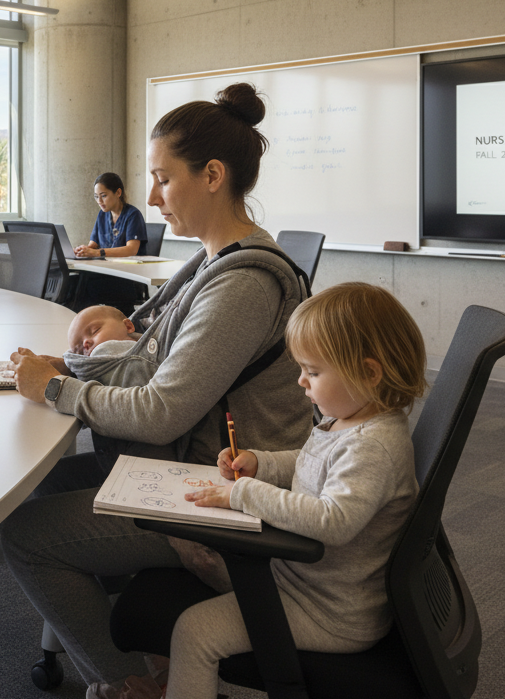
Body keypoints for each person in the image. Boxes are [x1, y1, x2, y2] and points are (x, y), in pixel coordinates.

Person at [0, 84, 315, 694]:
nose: (150, 198)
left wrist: (56, 391)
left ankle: (125, 686)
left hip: (217, 492)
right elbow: (149, 346)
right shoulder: (211, 259)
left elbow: (161, 412)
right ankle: (150, 651)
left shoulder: (243, 283)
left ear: (213, 176)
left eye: (163, 179)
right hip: (186, 467)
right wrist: (75, 362)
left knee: (27, 538)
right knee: (38, 486)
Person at [144, 282, 427, 699]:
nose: (301, 382)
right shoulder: (349, 419)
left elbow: (332, 521)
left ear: (369, 373)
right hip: (298, 578)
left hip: (328, 610)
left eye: (313, 372)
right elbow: (311, 463)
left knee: (195, 631)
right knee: (194, 557)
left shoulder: (374, 447)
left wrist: (243, 494)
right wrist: (261, 462)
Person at [75, 172, 146, 259]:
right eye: (96, 197)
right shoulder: (102, 214)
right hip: (107, 265)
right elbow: (93, 244)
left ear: (118, 193)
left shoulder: (133, 215)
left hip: (128, 268)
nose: (99, 201)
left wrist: (98, 252)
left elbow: (131, 250)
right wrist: (83, 250)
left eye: (103, 196)